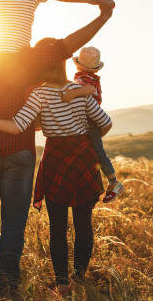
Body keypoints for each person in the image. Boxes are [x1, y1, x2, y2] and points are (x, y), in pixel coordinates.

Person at [0, 0, 114, 299]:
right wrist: (102, 15)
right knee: (13, 227)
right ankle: (8, 287)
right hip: (20, 152)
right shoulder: (32, 58)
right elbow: (69, 45)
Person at [0, 58, 112, 295]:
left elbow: (18, 126)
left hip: (56, 159)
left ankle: (62, 283)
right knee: (83, 222)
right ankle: (78, 277)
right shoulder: (78, 91)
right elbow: (106, 123)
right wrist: (86, 136)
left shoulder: (39, 94)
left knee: (57, 226)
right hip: (84, 159)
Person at [61, 46, 124, 202]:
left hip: (90, 119)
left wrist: (72, 93)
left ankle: (114, 182)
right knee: (94, 150)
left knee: (98, 151)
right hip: (88, 119)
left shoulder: (87, 80)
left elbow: (89, 90)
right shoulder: (86, 77)